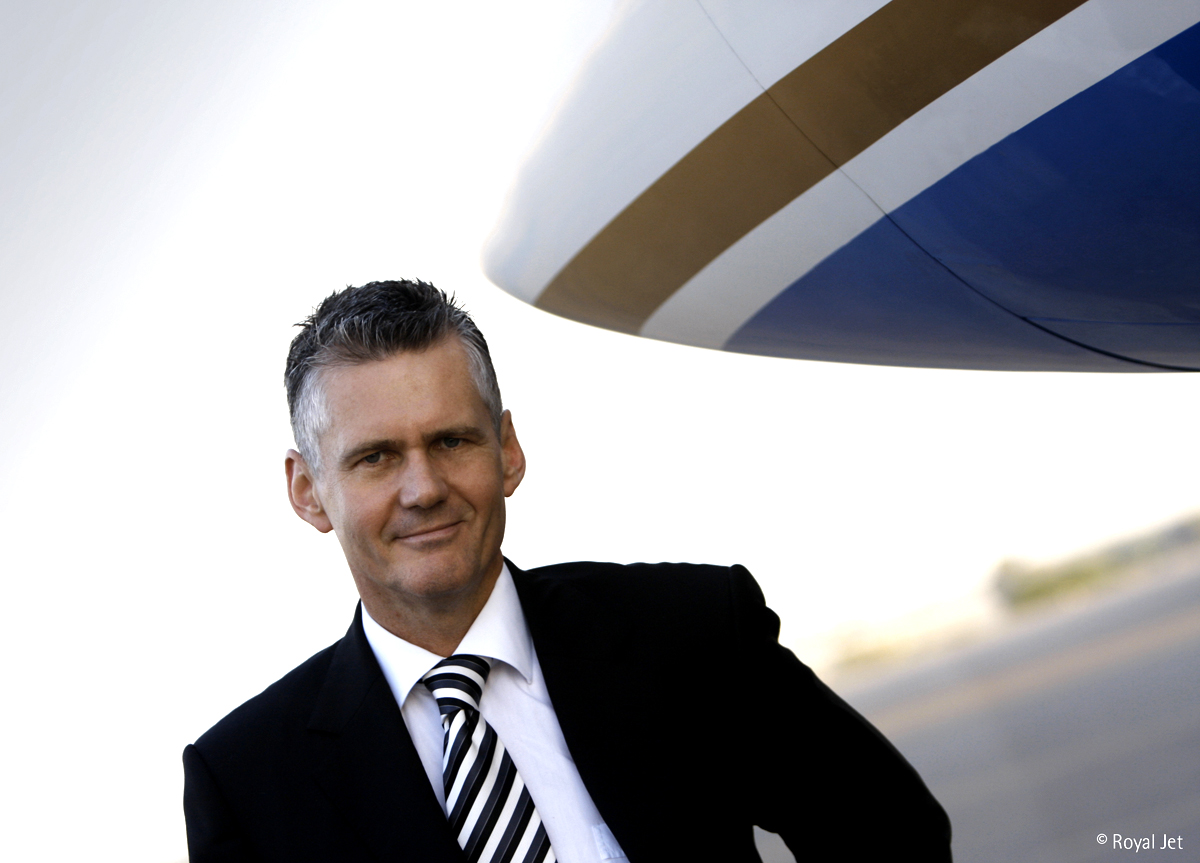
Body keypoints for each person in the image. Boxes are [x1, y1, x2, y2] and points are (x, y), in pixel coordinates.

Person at [183, 279, 952, 863]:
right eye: (376, 457)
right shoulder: (247, 781)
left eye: (451, 441)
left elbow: (893, 832)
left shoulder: (693, 628)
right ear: (307, 490)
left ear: (508, 450)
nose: (423, 488)